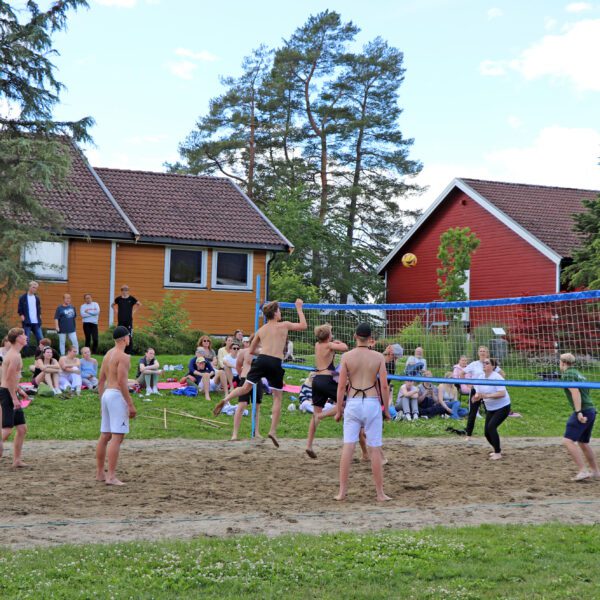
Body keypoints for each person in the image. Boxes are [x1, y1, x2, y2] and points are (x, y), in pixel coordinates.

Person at [213, 299, 307, 448]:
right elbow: (303, 326)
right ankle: (273, 431)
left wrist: (264, 350)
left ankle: (225, 399)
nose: (280, 313)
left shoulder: (261, 330)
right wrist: (299, 308)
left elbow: (251, 350)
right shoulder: (284, 325)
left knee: (245, 388)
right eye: (279, 310)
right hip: (275, 362)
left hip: (262, 360)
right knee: (277, 397)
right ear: (275, 313)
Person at [334, 323, 391, 502]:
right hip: (372, 402)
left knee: (348, 446)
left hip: (353, 401)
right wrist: (386, 410)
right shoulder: (378, 357)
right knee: (374, 449)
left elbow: (341, 386)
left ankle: (342, 492)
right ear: (370, 338)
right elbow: (383, 386)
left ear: (355, 336)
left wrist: (338, 410)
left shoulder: (346, 356)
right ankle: (380, 493)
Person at [95, 325, 137, 486]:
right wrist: (130, 404)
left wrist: (102, 402)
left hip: (107, 395)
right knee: (117, 437)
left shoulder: (108, 354)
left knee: (105, 435)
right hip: (116, 396)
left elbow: (101, 381)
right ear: (126, 338)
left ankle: (100, 473)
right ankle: (111, 476)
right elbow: (121, 382)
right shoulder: (124, 357)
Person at [305, 323, 348, 459]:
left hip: (316, 380)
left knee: (315, 414)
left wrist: (333, 343)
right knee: (345, 404)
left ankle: (309, 445)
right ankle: (322, 416)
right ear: (329, 336)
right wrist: (338, 343)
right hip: (326, 380)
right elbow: (345, 348)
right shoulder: (329, 345)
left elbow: (329, 346)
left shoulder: (317, 345)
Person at [559, 353, 600, 481]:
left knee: (568, 441)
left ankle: (583, 471)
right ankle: (595, 471)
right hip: (591, 409)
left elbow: (575, 392)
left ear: (563, 362)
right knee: (583, 442)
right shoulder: (578, 374)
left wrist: (578, 412)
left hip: (584, 410)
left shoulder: (568, 374)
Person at [0, 327, 29, 466]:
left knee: (22, 428)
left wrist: (19, 390)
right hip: (7, 393)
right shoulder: (14, 356)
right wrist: (14, 397)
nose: (26, 337)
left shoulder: (16, 354)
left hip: (11, 391)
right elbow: (8, 378)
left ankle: (17, 460)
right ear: (18, 338)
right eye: (24, 335)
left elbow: (13, 378)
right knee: (6, 430)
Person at [472, 358, 511, 460]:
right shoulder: (480, 377)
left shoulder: (497, 377)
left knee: (491, 427)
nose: (484, 364)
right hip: (491, 408)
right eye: (483, 363)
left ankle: (498, 453)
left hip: (503, 407)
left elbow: (502, 393)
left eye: (487, 363)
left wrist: (487, 396)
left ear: (493, 366)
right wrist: (476, 397)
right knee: (486, 433)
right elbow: (478, 392)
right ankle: (497, 449)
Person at [464, 346, 505, 441]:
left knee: (490, 412)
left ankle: (491, 433)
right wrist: (468, 385)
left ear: (487, 353)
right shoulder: (474, 364)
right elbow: (462, 373)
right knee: (472, 413)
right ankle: (468, 435)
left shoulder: (490, 363)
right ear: (478, 353)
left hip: (488, 391)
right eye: (481, 351)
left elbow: (502, 374)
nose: (482, 352)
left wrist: (496, 385)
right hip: (476, 391)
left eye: (484, 351)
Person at [231, 334, 263, 441]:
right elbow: (238, 365)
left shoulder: (262, 352)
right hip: (245, 379)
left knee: (257, 407)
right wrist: (242, 375)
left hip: (257, 381)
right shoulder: (244, 352)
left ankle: (256, 432)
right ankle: (235, 434)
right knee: (241, 405)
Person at [112, 285, 141, 355]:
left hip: (128, 321)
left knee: (129, 336)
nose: (124, 292)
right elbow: (112, 305)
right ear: (121, 291)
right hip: (120, 321)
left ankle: (128, 352)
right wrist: (116, 311)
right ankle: (119, 351)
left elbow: (139, 304)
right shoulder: (118, 299)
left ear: (128, 291)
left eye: (126, 290)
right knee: (119, 336)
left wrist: (133, 312)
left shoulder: (131, 298)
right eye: (123, 290)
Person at [17, 281, 43, 346]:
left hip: (36, 323)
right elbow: (20, 309)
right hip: (27, 322)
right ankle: (25, 352)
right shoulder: (23, 297)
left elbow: (39, 309)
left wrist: (40, 318)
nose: (35, 289)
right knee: (26, 341)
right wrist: (23, 318)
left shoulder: (37, 298)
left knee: (41, 339)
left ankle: (41, 352)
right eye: (33, 287)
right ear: (29, 287)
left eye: (36, 288)